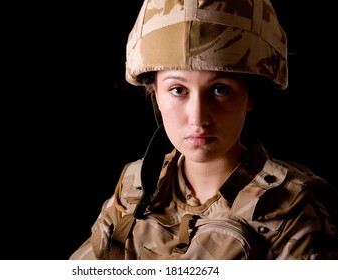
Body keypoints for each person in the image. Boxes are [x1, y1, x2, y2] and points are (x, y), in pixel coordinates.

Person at [70, 0, 338, 260]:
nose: (198, 118)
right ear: (156, 95)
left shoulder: (291, 209)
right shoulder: (133, 189)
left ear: (251, 96)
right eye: (178, 90)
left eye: (220, 90)